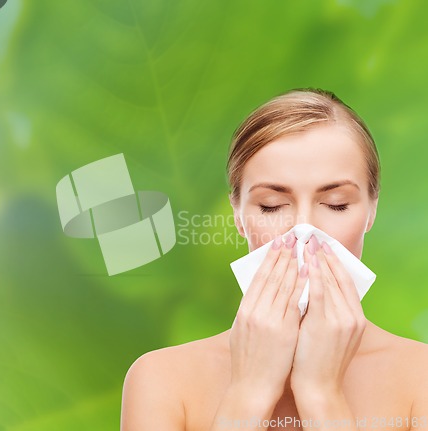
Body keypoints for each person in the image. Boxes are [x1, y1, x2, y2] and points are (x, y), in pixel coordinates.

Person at [120, 88, 428, 431]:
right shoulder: (161, 381)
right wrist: (249, 393)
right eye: (271, 206)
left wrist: (321, 395)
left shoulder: (421, 379)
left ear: (371, 211)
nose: (303, 230)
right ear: (238, 215)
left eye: (337, 203)